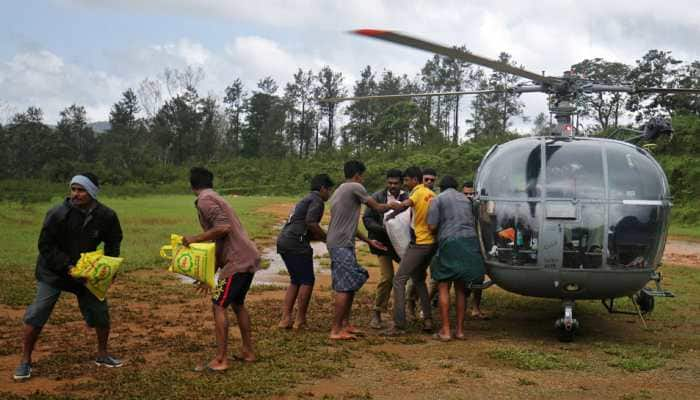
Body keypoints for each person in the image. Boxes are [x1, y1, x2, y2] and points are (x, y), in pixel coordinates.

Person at [14, 173, 124, 381]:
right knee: (38, 311)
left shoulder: (106, 216)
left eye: (81, 190)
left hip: (85, 272)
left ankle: (102, 354)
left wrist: (108, 270)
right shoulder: (57, 213)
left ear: (92, 192)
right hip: (53, 272)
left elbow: (113, 242)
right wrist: (67, 266)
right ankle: (25, 360)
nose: (75, 194)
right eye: (73, 189)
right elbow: (45, 246)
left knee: (100, 311)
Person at [183, 167, 261, 371]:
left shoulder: (204, 200)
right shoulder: (215, 197)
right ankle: (248, 351)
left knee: (218, 305)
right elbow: (219, 240)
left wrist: (194, 239)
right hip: (246, 257)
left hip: (238, 261)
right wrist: (208, 275)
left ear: (191, 185)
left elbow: (223, 227)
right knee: (237, 303)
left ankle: (220, 359)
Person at [326, 160, 391, 340]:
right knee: (344, 287)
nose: (363, 180)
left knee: (350, 283)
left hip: (341, 242)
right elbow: (377, 207)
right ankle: (336, 330)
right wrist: (396, 205)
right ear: (357, 175)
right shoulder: (355, 186)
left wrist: (369, 241)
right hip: (340, 244)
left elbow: (349, 225)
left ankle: (345, 324)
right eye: (362, 176)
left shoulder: (340, 190)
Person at [428, 176, 485, 340]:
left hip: (450, 242)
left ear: (441, 187)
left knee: (443, 286)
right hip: (470, 242)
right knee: (461, 289)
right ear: (456, 186)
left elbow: (431, 226)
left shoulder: (437, 199)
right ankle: (459, 331)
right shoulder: (467, 200)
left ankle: (445, 330)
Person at [276, 174, 334, 330]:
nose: (330, 194)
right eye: (329, 191)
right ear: (323, 189)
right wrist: (327, 238)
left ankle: (285, 319)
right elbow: (311, 223)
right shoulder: (317, 200)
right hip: (296, 242)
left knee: (295, 280)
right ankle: (300, 320)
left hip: (284, 240)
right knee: (307, 280)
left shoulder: (306, 198)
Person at [385, 166, 436, 335]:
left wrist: (391, 210)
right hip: (432, 244)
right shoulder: (432, 194)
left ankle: (399, 324)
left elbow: (407, 204)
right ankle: (428, 319)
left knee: (399, 280)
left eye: (406, 180)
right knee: (419, 279)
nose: (405, 183)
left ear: (415, 179)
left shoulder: (417, 192)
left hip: (420, 243)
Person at [362, 168, 408, 329]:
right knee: (387, 277)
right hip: (383, 244)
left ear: (401, 183)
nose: (392, 186)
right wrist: (384, 229)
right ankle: (377, 311)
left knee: (416, 276)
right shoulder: (377, 197)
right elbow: (367, 218)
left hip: (402, 245)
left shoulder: (407, 197)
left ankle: (411, 308)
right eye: (390, 183)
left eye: (396, 183)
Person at [407, 167, 438, 316]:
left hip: (432, 243)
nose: (429, 182)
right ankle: (412, 305)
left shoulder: (435, 197)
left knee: (432, 278)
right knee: (415, 278)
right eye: (427, 179)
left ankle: (425, 308)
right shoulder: (415, 195)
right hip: (418, 241)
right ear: (421, 180)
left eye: (432, 180)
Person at [463, 180, 488, 319]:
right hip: (463, 244)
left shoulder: (478, 207)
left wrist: (481, 207)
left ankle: (476, 308)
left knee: (479, 276)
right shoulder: (458, 207)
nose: (469, 197)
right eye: (466, 194)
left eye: (472, 194)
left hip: (477, 244)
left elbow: (487, 221)